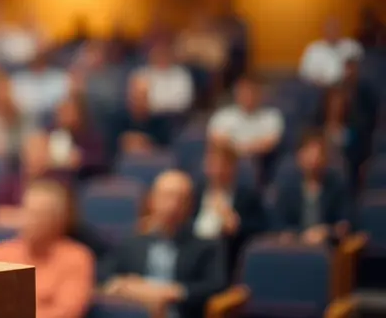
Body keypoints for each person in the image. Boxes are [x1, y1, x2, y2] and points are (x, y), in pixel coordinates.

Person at [99, 170, 226, 318]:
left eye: (181, 199)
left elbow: (216, 286)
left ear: (191, 206)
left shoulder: (206, 246)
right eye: (166, 197)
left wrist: (174, 291)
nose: (173, 205)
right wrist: (125, 286)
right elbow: (103, 273)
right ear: (151, 200)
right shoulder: (133, 242)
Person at [0, 180, 95, 318]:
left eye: (39, 214)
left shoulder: (77, 258)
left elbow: (67, 313)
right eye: (27, 211)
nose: (30, 220)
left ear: (57, 220)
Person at [192, 143, 265, 276]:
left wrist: (237, 226)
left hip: (228, 256)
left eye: (223, 164)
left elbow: (259, 231)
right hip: (193, 252)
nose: (217, 170)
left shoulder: (246, 197)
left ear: (233, 167)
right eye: (212, 164)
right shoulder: (195, 193)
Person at [272, 132, 351, 245]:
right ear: (299, 157)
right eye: (309, 153)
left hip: (328, 245)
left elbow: (344, 223)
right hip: (294, 246)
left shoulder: (337, 186)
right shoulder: (287, 187)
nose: (314, 160)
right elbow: (278, 224)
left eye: (318, 154)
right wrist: (300, 235)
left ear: (326, 158)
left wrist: (326, 231)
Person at [0, 133, 71, 227]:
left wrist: (21, 216)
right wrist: (28, 218)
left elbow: (62, 220)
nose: (35, 157)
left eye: (40, 152)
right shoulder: (9, 182)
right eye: (31, 151)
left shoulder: (60, 184)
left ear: (49, 156)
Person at [206, 76, 284, 161]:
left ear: (259, 93)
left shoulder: (272, 116)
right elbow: (217, 140)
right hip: (229, 163)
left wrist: (236, 146)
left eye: (251, 92)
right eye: (244, 92)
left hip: (262, 162)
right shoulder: (223, 116)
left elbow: (269, 143)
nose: (248, 96)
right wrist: (245, 148)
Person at [299, 17, 363, 88]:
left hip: (347, 85)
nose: (333, 31)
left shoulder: (351, 45)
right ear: (323, 31)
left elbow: (360, 64)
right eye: (329, 29)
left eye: (336, 28)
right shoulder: (313, 49)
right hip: (319, 87)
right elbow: (304, 74)